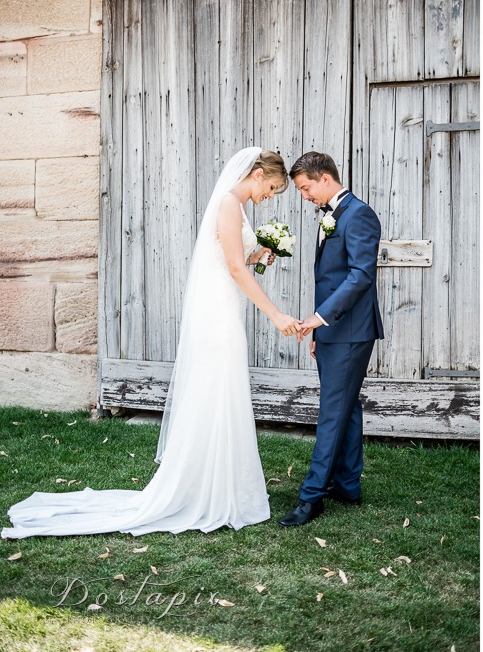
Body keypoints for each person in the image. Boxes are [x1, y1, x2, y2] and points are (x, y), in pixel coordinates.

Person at [1, 147, 301, 539]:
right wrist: (275, 313)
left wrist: (260, 253)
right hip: (218, 315)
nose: (271, 197)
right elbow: (232, 268)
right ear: (258, 173)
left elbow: (237, 262)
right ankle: (204, 489)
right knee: (217, 389)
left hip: (225, 309)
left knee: (220, 392)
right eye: (274, 188)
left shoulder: (238, 208)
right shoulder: (229, 204)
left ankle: (219, 486)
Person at [277, 152, 384, 527]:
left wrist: (320, 319)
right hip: (334, 331)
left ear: (325, 179)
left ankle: (311, 497)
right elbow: (331, 279)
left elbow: (360, 276)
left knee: (332, 411)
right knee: (347, 407)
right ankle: (347, 485)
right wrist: (320, 330)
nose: (304, 196)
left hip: (351, 331)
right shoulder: (332, 216)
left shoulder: (359, 215)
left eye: (306, 188)